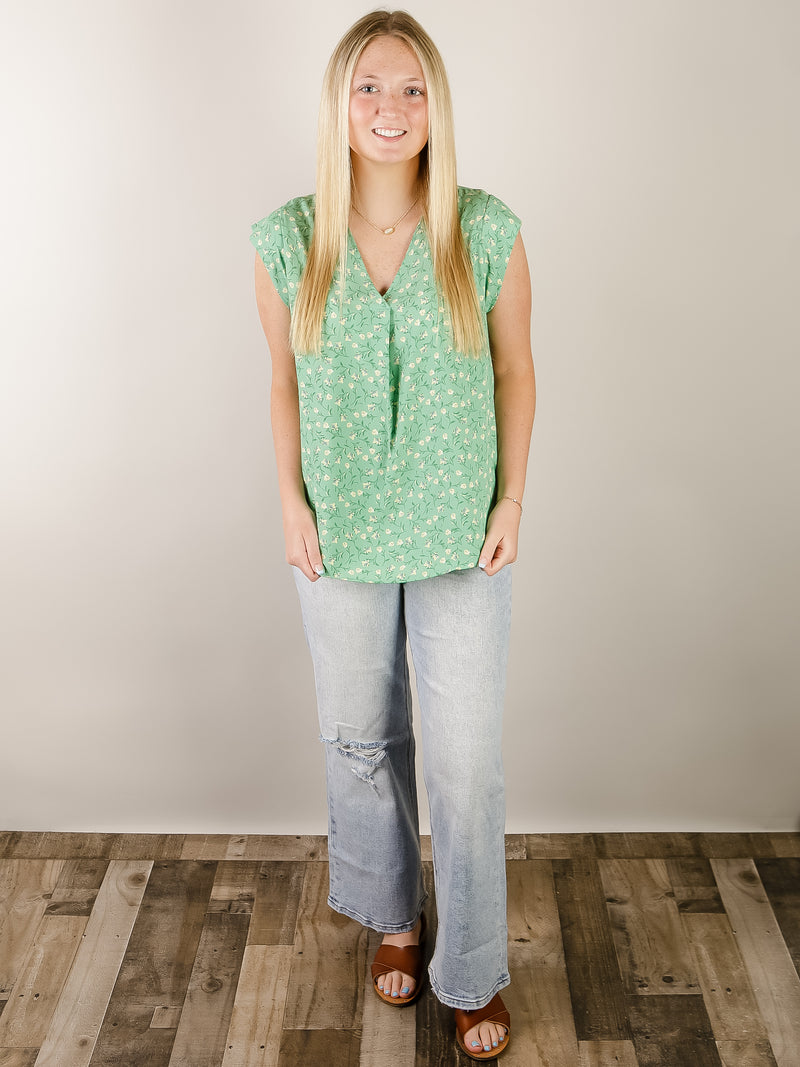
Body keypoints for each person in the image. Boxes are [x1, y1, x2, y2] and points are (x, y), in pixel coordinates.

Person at [251, 10, 534, 1060]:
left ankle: (469, 967)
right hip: (339, 529)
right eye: (369, 87)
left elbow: (514, 368)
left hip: (463, 527)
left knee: (464, 762)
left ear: (436, 107)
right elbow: (280, 380)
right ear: (338, 102)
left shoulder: (485, 228)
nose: (389, 108)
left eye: (411, 89)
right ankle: (396, 919)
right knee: (361, 737)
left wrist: (511, 499)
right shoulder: (288, 239)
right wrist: (289, 498)